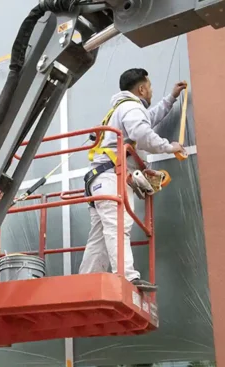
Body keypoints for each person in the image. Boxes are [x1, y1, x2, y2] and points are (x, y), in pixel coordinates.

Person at [78, 68, 187, 291]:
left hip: (99, 178)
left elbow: (148, 119)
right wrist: (169, 146)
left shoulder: (121, 109)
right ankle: (127, 277)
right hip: (110, 176)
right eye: (150, 89)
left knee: (100, 235)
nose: (151, 92)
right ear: (142, 88)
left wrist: (172, 98)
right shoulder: (131, 107)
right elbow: (142, 134)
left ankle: (86, 282)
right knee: (118, 226)